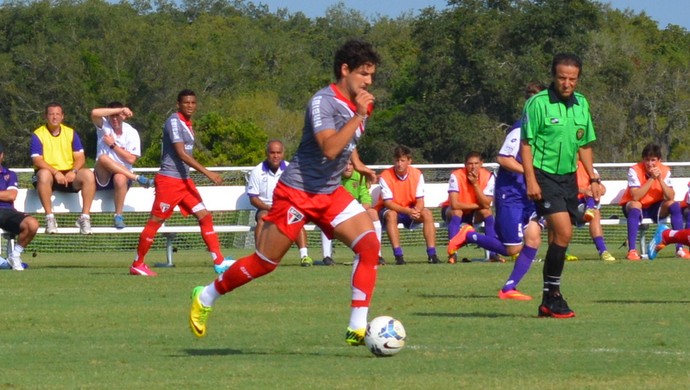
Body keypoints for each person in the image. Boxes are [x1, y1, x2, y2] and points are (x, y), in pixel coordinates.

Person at [189, 39, 381, 348]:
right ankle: (206, 294)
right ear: (345, 70)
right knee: (265, 262)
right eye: (363, 74)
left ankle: (357, 328)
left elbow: (348, 146)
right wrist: (359, 115)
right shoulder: (322, 102)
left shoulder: (359, 106)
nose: (369, 82)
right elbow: (331, 148)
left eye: (372, 75)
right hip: (297, 193)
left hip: (331, 193)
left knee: (370, 246)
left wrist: (359, 165)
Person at [448, 82, 546, 301]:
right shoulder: (521, 128)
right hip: (511, 193)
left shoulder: (544, 128)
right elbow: (503, 158)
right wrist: (529, 172)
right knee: (512, 249)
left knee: (534, 239)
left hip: (529, 194)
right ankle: (469, 235)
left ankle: (509, 288)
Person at [520, 53, 600, 318]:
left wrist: (593, 177)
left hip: (569, 178)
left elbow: (584, 144)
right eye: (562, 78)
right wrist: (530, 179)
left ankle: (547, 300)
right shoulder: (537, 103)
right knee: (564, 232)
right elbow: (526, 143)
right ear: (553, 76)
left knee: (559, 236)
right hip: (544, 176)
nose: (567, 84)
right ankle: (553, 295)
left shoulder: (581, 104)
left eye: (572, 79)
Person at [130, 89, 227, 276]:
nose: (190, 106)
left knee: (205, 216)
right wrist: (208, 173)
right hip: (169, 182)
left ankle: (219, 261)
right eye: (186, 103)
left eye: (193, 103)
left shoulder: (188, 123)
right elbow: (182, 154)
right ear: (178, 104)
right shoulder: (174, 121)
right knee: (156, 221)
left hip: (184, 182)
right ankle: (137, 263)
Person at [30, 102, 96, 235]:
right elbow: (37, 160)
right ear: (45, 116)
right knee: (43, 175)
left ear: (62, 116)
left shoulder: (70, 133)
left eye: (57, 114)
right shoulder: (38, 134)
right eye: (51, 114)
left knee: (88, 174)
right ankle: (50, 218)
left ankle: (84, 218)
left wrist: (74, 171)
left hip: (69, 174)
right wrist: (56, 172)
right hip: (49, 174)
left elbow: (80, 158)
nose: (54, 117)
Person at [246, 139, 313, 266]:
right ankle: (259, 257)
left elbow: (298, 193)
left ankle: (304, 256)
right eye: (272, 153)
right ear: (267, 153)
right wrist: (269, 208)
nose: (276, 156)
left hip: (287, 207)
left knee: (296, 217)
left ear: (283, 153)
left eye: (278, 152)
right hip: (266, 207)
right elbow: (253, 198)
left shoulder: (290, 169)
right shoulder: (257, 171)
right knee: (262, 217)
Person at [619, 143, 688, 260]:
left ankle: (679, 249)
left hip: (655, 207)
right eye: (647, 160)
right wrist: (652, 178)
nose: (650, 163)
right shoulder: (634, 170)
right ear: (643, 160)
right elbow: (635, 196)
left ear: (659, 160)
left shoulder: (665, 171)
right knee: (635, 204)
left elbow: (670, 196)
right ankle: (632, 251)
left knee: (674, 205)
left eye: (653, 160)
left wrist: (660, 179)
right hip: (635, 207)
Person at [91, 102, 154, 229]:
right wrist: (121, 109)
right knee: (103, 158)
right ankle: (137, 178)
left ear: (124, 116)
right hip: (103, 175)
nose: (114, 119)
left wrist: (113, 146)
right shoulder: (104, 127)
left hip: (122, 176)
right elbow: (94, 113)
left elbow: (131, 159)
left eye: (118, 115)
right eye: (111, 115)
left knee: (120, 178)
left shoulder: (131, 132)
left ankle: (118, 215)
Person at [376, 145, 440, 265]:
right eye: (397, 160)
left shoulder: (417, 174)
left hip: (409, 209)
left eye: (402, 160)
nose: (399, 164)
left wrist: (416, 210)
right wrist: (408, 211)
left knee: (427, 213)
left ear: (409, 161)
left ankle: (432, 254)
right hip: (390, 209)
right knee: (391, 215)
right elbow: (388, 203)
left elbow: (420, 200)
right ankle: (398, 256)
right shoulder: (385, 175)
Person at [321, 158, 385, 265]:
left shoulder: (359, 176)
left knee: (373, 213)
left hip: (355, 211)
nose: (348, 167)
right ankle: (327, 256)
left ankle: (376, 254)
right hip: (336, 212)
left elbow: (366, 200)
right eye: (345, 164)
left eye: (351, 164)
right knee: (325, 217)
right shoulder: (333, 177)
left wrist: (356, 210)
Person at [442, 151, 501, 263]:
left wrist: (475, 184)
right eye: (470, 163)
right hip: (453, 211)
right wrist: (477, 205)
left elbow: (487, 204)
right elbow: (454, 204)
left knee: (487, 212)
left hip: (474, 213)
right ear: (465, 164)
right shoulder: (456, 175)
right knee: (457, 212)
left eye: (476, 163)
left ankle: (493, 254)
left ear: (481, 163)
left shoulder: (488, 176)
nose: (473, 166)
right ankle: (452, 254)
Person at [0, 144, 40, 271]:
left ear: (2, 156)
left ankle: (15, 255)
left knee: (32, 224)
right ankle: (4, 264)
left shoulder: (9, 174)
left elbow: (11, 195)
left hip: (5, 212)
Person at [575, 160, 615, 261]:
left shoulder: (590, 169)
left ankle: (603, 251)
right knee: (593, 209)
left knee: (594, 213)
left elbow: (602, 189)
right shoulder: (563, 167)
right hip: (570, 204)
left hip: (585, 204)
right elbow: (563, 188)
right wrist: (584, 191)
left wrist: (599, 187)